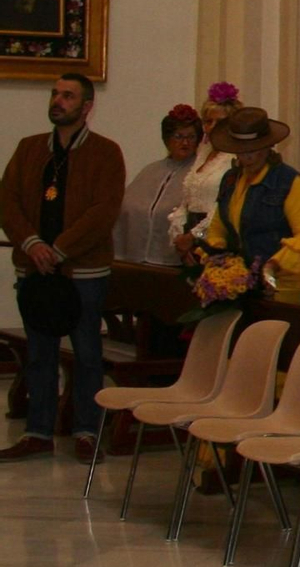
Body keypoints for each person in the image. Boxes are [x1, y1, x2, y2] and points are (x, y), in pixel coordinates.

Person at [0, 74, 126, 463]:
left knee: (87, 353)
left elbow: (103, 211)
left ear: (87, 106)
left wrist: (60, 249)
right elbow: (8, 201)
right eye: (55, 93)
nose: (58, 100)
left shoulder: (105, 153)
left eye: (68, 96)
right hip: (35, 268)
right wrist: (32, 244)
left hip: (83, 272)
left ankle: (86, 431)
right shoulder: (30, 149)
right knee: (39, 354)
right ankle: (38, 432)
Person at [200, 107, 300, 303]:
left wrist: (273, 266)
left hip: (279, 284)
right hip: (241, 284)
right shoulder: (231, 179)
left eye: (253, 150)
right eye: (241, 151)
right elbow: (218, 226)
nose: (247, 157)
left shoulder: (288, 181)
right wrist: (218, 258)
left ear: (268, 146)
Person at [116, 105, 201, 265]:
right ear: (167, 139)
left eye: (191, 137)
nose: (185, 142)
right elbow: (127, 207)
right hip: (136, 261)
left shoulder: (199, 173)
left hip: (175, 261)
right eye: (179, 136)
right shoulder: (151, 170)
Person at [169, 81, 242, 256]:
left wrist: (195, 238)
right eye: (208, 121)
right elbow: (186, 202)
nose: (212, 127)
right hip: (190, 240)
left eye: (220, 122)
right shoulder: (203, 153)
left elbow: (225, 209)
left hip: (218, 241)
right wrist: (179, 236)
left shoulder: (235, 158)